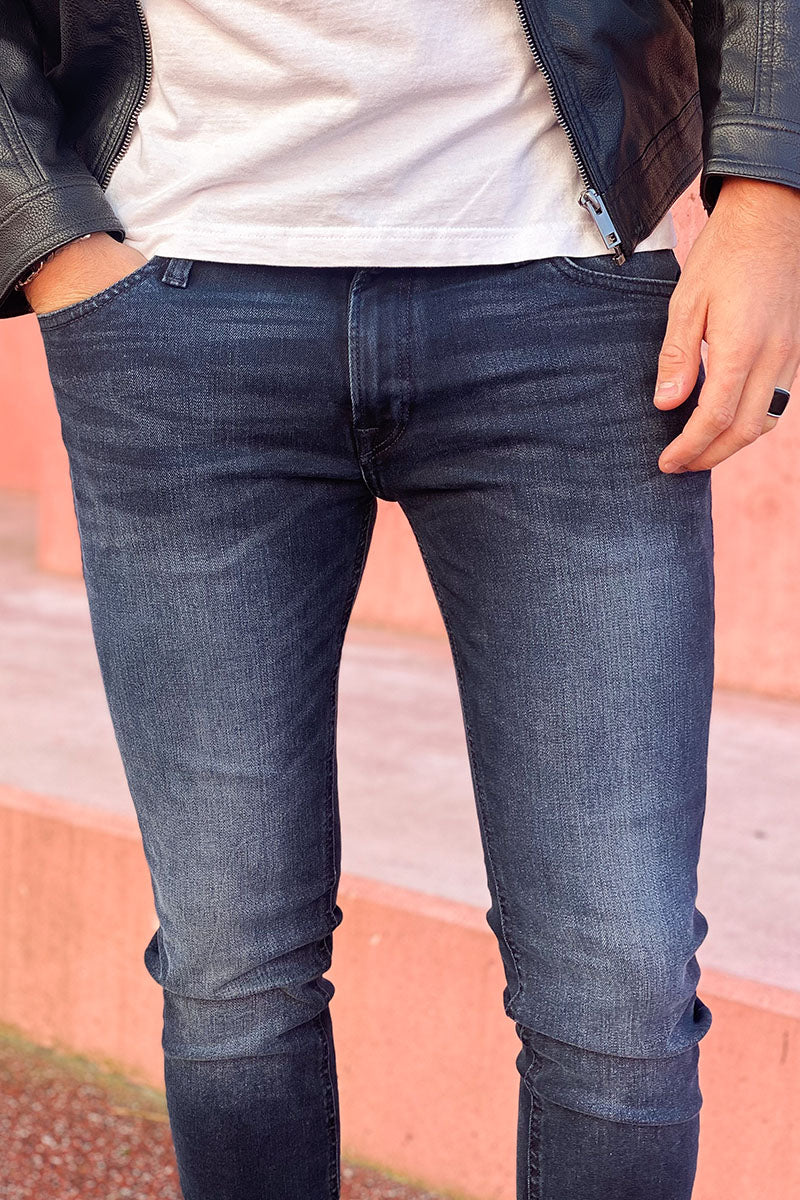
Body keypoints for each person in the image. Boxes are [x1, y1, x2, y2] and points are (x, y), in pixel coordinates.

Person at [1, 2, 798, 1198]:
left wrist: (769, 199)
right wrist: (52, 249)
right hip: (175, 297)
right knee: (230, 970)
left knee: (617, 984)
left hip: (564, 290)